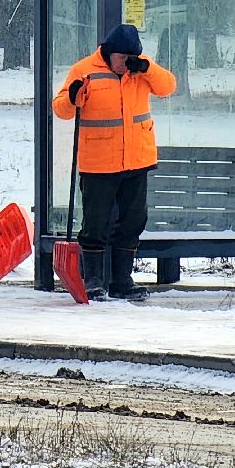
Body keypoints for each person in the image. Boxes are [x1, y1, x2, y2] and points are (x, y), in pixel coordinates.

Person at [52, 23, 176, 302]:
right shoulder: (85, 69)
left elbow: (168, 86)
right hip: (98, 163)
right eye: (122, 59)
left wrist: (147, 67)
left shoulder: (141, 72)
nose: (125, 65)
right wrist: (73, 96)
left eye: (130, 59)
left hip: (137, 159)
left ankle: (122, 279)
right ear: (109, 53)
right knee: (96, 224)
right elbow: (60, 108)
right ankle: (93, 279)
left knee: (133, 221)